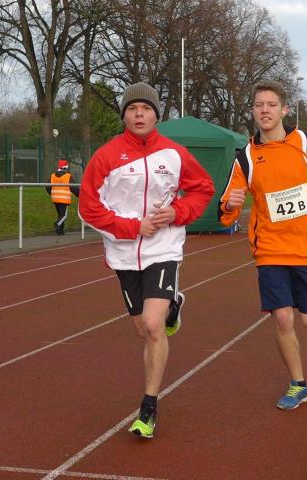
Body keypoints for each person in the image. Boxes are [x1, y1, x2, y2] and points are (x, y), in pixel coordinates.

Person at [217, 79, 307, 411]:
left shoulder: (306, 144)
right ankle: (298, 385)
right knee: (283, 318)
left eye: (271, 105)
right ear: (252, 111)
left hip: (306, 249)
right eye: (259, 105)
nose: (265, 110)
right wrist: (230, 205)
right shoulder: (246, 158)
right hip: (269, 251)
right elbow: (225, 212)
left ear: (284, 109)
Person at [79, 82, 215, 439]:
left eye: (146, 108)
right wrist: (131, 227)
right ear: (124, 115)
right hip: (124, 253)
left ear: (156, 115)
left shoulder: (174, 154)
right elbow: (88, 208)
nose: (139, 114)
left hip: (163, 248)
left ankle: (149, 407)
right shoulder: (106, 157)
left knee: (154, 327)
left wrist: (177, 212)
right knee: (143, 328)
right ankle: (173, 305)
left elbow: (202, 189)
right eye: (132, 108)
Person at [46, 159, 79, 235]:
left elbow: (48, 187)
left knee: (60, 215)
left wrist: (52, 193)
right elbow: (74, 188)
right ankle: (57, 224)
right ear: (66, 167)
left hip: (55, 198)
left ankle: (60, 231)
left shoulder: (52, 176)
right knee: (63, 216)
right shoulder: (68, 176)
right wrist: (78, 194)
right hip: (64, 199)